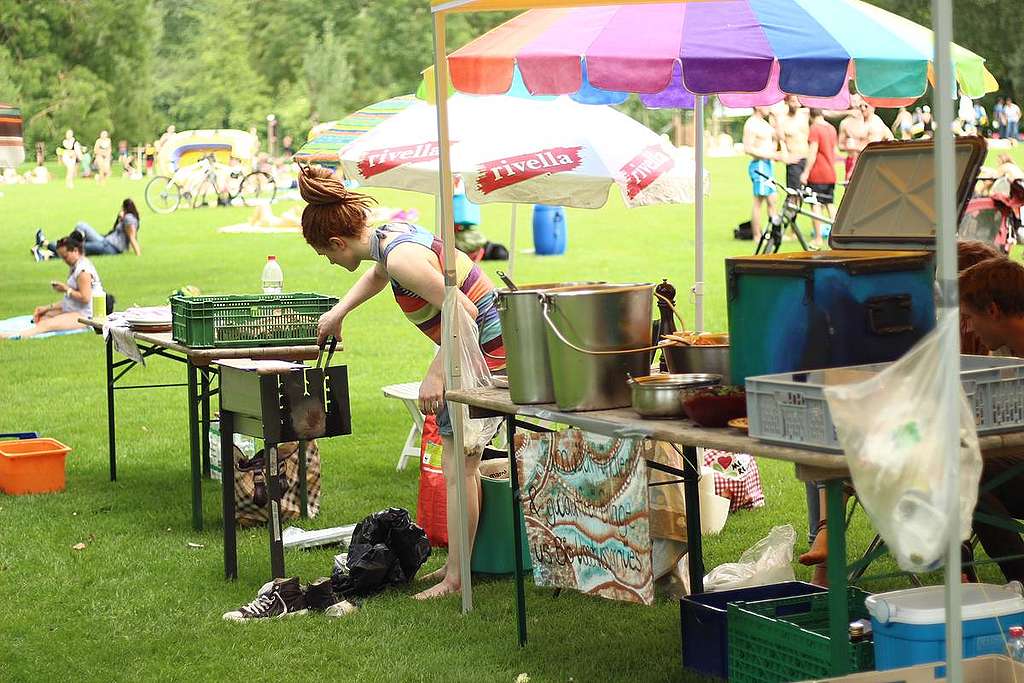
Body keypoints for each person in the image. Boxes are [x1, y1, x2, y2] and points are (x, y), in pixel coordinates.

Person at [298, 166, 504, 600]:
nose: (331, 263)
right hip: (469, 345)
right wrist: (340, 312)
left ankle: (457, 579)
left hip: (484, 347)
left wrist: (437, 371)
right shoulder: (387, 238)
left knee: (459, 467)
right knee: (458, 464)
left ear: (337, 242)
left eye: (327, 256)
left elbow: (462, 311)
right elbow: (378, 274)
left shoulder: (400, 257)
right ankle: (455, 565)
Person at [959, 256, 1024, 584]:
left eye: (971, 317)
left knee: (966, 468)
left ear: (994, 311)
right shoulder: (1010, 355)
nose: (970, 328)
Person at [1, 235, 102, 339]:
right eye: (62, 257)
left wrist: (66, 289)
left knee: (46, 324)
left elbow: (85, 298)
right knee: (43, 317)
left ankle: (13, 336)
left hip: (86, 316)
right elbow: (70, 301)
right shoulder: (76, 266)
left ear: (75, 251)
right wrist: (46, 308)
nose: (64, 260)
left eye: (65, 256)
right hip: (75, 309)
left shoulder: (83, 271)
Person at [34, 198, 142, 260]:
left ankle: (46, 246)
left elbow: (132, 237)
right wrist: (119, 219)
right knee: (81, 225)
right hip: (105, 241)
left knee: (77, 248)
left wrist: (138, 254)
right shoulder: (127, 218)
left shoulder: (129, 219)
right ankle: (47, 253)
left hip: (110, 247)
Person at [800, 109, 838, 247]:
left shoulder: (815, 129)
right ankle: (837, 236)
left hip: (818, 173)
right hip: (830, 172)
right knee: (829, 204)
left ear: (811, 115)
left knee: (815, 204)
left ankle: (818, 238)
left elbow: (812, 153)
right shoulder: (832, 128)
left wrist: (805, 172)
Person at [743, 106, 781, 243]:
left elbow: (779, 136)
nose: (769, 107)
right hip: (759, 165)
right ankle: (757, 235)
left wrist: (776, 118)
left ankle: (774, 234)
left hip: (768, 165)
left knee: (772, 200)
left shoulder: (765, 124)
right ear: (758, 106)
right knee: (758, 201)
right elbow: (747, 148)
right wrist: (770, 154)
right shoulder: (751, 124)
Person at [838, 95, 893, 179]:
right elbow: (841, 146)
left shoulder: (875, 123)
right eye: (861, 106)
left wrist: (855, 146)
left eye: (866, 106)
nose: (863, 108)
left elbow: (872, 149)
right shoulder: (856, 123)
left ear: (873, 107)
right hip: (857, 162)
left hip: (871, 165)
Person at [776, 95, 809, 197]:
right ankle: (790, 213)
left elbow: (828, 112)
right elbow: (781, 142)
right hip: (795, 160)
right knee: (794, 195)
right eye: (793, 102)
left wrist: (850, 112)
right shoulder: (782, 120)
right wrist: (786, 157)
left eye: (798, 102)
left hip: (808, 159)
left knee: (812, 196)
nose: (796, 104)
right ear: (787, 102)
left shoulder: (805, 115)